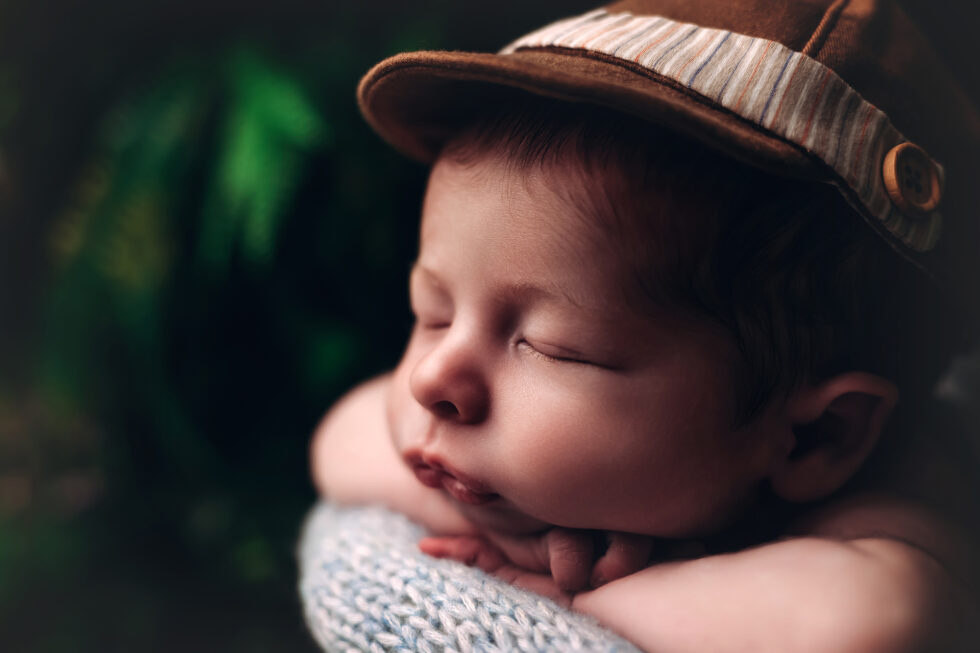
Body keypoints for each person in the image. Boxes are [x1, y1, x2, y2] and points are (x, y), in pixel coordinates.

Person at [309, 1, 980, 650]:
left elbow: (872, 621)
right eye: (433, 313)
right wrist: (523, 536)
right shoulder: (476, 426)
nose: (430, 379)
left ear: (813, 438)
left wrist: (584, 595)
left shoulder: (890, 511)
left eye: (550, 348)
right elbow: (342, 436)